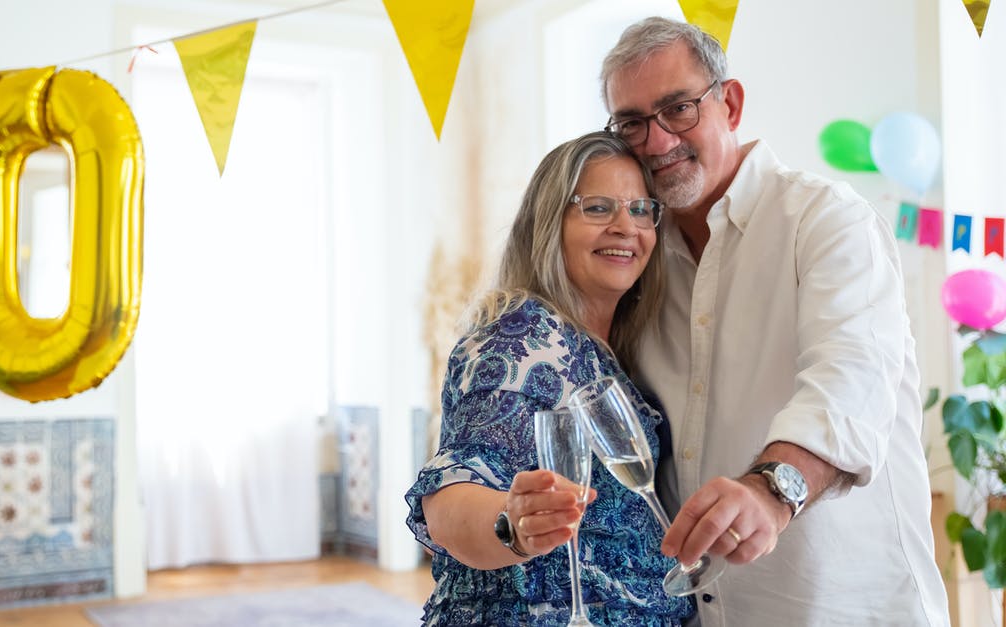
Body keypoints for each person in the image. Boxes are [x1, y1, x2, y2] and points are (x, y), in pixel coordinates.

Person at [598, 16, 949, 626]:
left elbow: (851, 380)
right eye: (632, 123)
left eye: (679, 108)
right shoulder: (640, 264)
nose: (656, 142)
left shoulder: (827, 219)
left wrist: (771, 490)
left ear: (729, 104)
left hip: (849, 607)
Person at [404, 131, 695, 626]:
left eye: (641, 209)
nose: (626, 227)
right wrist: (512, 526)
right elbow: (451, 495)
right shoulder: (520, 342)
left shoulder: (608, 345)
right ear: (548, 223)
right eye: (598, 208)